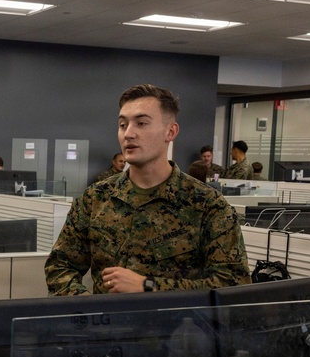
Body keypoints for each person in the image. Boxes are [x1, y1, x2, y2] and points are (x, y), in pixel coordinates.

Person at [45, 84, 250, 296]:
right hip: (106, 317)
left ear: (170, 132)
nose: (128, 134)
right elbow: (59, 267)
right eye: (123, 125)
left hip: (175, 318)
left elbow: (234, 284)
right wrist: (88, 307)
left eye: (141, 123)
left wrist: (148, 286)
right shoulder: (95, 198)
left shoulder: (207, 205)